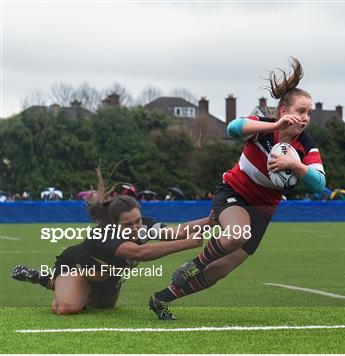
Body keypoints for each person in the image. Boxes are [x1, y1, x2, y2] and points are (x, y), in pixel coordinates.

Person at [148, 57, 326, 320]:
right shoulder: (264, 127)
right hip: (233, 194)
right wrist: (274, 127)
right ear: (283, 111)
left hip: (263, 211)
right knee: (236, 234)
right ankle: (193, 265)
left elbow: (319, 183)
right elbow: (233, 128)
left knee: (221, 269)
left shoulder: (305, 146)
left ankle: (161, 298)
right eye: (301, 111)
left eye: (309, 113)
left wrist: (295, 165)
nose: (305, 118)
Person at [11, 168, 209, 315]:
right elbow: (140, 253)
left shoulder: (143, 225)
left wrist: (211, 220)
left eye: (138, 221)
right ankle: (44, 278)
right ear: (113, 224)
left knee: (104, 306)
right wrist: (186, 244)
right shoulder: (104, 234)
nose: (136, 228)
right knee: (66, 307)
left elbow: (178, 232)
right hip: (75, 266)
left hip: (106, 277)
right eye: (128, 225)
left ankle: (73, 289)